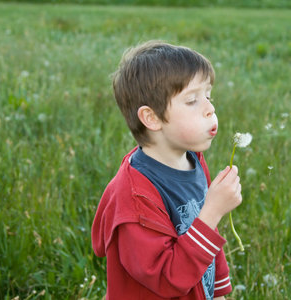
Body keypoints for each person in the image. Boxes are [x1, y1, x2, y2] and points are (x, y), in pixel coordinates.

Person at [91, 41, 242, 300]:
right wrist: (212, 211)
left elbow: (208, 236)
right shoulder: (135, 198)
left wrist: (217, 292)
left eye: (208, 96)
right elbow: (165, 279)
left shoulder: (194, 160)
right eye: (192, 100)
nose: (210, 108)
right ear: (152, 118)